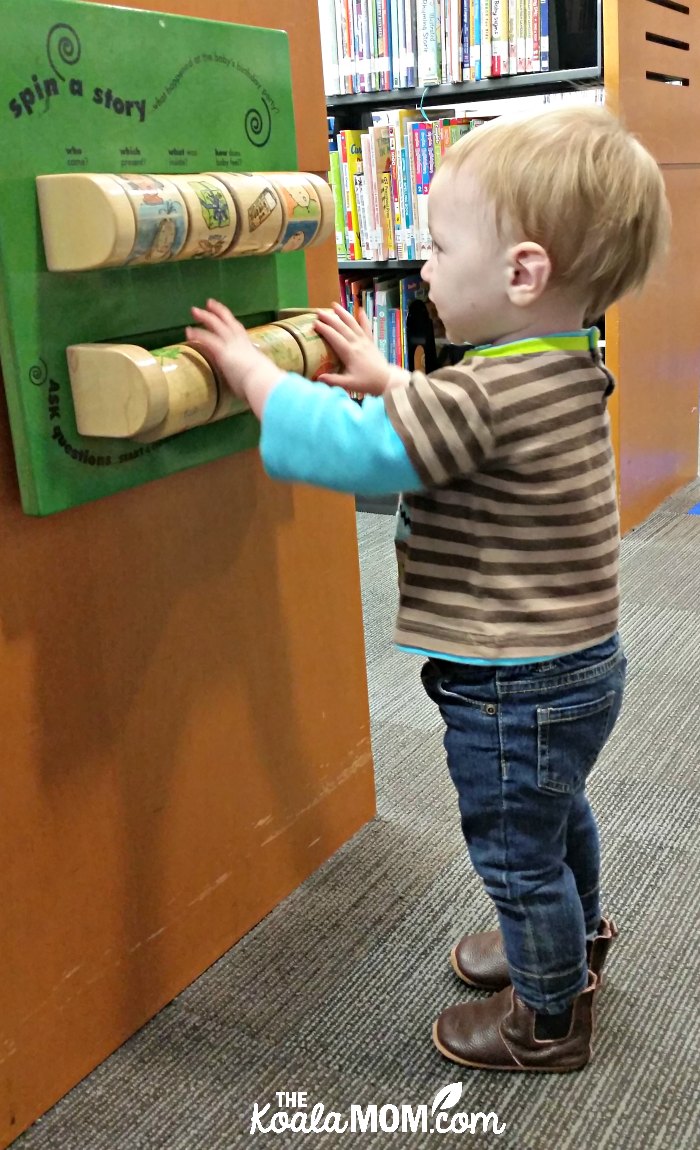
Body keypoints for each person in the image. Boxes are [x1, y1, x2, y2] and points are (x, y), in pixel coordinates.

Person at [186, 106, 670, 1073]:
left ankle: (546, 1019)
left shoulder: (477, 394)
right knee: (556, 808)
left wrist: (252, 374)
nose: (425, 267)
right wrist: (386, 375)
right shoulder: (566, 364)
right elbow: (454, 426)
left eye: (441, 247)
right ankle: (570, 949)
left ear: (523, 272)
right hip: (579, 664)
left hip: (511, 676)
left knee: (513, 850)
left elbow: (367, 457)